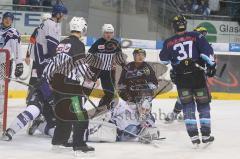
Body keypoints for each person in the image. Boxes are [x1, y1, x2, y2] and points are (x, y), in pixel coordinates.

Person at [159, 15, 216, 146]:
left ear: (173, 26)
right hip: (198, 77)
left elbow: (163, 60)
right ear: (185, 24)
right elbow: (207, 53)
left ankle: (194, 136)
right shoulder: (196, 36)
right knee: (203, 105)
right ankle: (206, 135)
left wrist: (175, 63)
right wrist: (212, 66)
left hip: (182, 79)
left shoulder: (168, 42)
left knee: (188, 106)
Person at [164, 26, 209, 123]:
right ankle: (177, 113)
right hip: (185, 76)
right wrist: (175, 71)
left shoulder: (201, 44)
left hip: (197, 76)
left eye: (205, 34)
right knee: (183, 96)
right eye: (202, 33)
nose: (203, 36)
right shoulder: (190, 44)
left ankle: (182, 114)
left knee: (193, 97)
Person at [86, 24, 126, 115]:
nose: (109, 35)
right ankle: (78, 109)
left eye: (111, 33)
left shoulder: (116, 43)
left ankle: (101, 108)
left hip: (108, 73)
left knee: (110, 94)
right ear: (103, 33)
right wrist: (87, 69)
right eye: (107, 32)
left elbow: (119, 58)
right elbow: (89, 56)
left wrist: (126, 67)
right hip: (95, 71)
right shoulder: (98, 43)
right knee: (85, 91)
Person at [87, 98, 159, 143]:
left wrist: (150, 135)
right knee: (91, 134)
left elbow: (155, 131)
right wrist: (109, 114)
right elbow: (114, 110)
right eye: (143, 109)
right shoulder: (127, 107)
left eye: (147, 110)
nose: (144, 111)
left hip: (116, 137)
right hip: (110, 127)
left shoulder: (149, 118)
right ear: (139, 106)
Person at [0, 12, 23, 118]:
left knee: (1, 92)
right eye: (6, 18)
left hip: (4, 66)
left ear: (12, 21)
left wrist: (19, 64)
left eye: (10, 19)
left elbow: (17, 49)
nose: (8, 20)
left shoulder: (13, 32)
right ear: (2, 19)